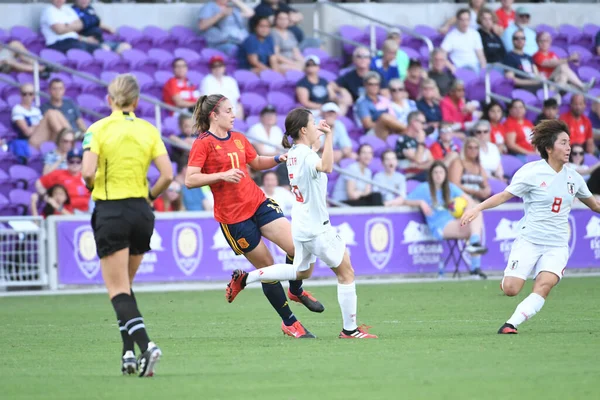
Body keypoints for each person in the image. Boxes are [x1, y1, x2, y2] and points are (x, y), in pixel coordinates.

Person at [225, 108, 377, 339]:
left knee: (300, 271)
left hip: (301, 225)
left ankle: (246, 278)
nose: (318, 126)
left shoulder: (295, 153)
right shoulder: (306, 155)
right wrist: (331, 136)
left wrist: (321, 139)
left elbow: (312, 156)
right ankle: (350, 330)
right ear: (304, 129)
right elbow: (326, 167)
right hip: (318, 227)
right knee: (346, 272)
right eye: (314, 123)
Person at [185, 94, 324, 339]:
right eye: (228, 111)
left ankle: (296, 289)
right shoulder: (203, 143)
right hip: (234, 218)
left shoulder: (238, 138)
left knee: (296, 246)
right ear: (213, 115)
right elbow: (190, 179)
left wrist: (277, 158)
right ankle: (290, 322)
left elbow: (256, 162)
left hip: (257, 203)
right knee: (267, 268)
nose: (234, 114)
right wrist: (221, 176)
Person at [460, 119, 600, 334]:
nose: (569, 147)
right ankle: (507, 280)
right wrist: (477, 208)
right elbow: (504, 195)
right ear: (549, 148)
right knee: (511, 289)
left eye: (569, 142)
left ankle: (510, 324)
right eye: (563, 143)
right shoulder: (531, 172)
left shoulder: (574, 178)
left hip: (558, 245)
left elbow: (595, 205)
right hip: (530, 241)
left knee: (543, 286)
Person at [81, 74, 172, 376]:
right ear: (136, 101)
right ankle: (127, 354)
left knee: (117, 289)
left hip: (112, 211)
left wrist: (93, 183)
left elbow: (87, 172)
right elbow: (168, 176)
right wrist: (148, 197)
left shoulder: (97, 129)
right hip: (141, 212)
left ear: (110, 100)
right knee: (127, 287)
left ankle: (146, 347)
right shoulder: (149, 129)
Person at [407, 161, 488, 278]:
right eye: (435, 172)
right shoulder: (424, 188)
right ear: (431, 175)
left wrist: (467, 211)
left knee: (477, 214)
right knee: (474, 228)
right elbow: (406, 200)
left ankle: (475, 259)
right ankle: (475, 265)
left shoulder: (450, 187)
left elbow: (470, 201)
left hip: (453, 222)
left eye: (441, 172)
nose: (438, 175)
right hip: (439, 227)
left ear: (445, 174)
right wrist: (420, 202)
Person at [10, 83, 71, 159]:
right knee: (50, 113)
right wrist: (38, 124)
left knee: (56, 112)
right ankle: (67, 138)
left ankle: (70, 136)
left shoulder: (36, 110)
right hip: (30, 141)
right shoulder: (17, 109)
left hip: (43, 137)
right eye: (24, 94)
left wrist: (37, 125)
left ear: (34, 95)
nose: (27, 97)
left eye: (30, 94)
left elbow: (42, 126)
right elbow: (27, 132)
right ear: (20, 95)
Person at [35, 149, 90, 213]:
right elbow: (38, 183)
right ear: (67, 162)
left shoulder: (87, 177)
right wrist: (47, 197)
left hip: (84, 213)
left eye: (78, 162)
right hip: (61, 213)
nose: (75, 164)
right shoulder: (58, 174)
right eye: (71, 161)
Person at [355, 72, 405, 140]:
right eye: (371, 84)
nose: (374, 87)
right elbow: (367, 124)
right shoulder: (362, 103)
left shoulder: (384, 100)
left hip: (389, 129)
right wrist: (384, 123)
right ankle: (407, 130)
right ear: (365, 85)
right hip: (372, 132)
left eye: (376, 84)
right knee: (384, 117)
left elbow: (393, 118)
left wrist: (388, 124)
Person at [440, 8, 487, 73]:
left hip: (476, 66)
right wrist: (451, 67)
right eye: (462, 20)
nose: (465, 23)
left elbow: (481, 55)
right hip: (460, 68)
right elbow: (442, 54)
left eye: (467, 20)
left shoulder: (475, 34)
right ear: (457, 21)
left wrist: (483, 69)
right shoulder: (451, 36)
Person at [449, 137, 491, 202]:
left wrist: (487, 190)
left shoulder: (479, 166)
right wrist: (474, 192)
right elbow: (454, 185)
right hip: (460, 199)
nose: (473, 150)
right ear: (465, 149)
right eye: (470, 147)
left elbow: (485, 184)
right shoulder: (458, 162)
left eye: (476, 148)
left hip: (476, 199)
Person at [200, 56, 243, 120]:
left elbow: (238, 102)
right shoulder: (207, 80)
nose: (217, 68)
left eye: (220, 65)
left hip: (233, 116)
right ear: (211, 68)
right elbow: (208, 103)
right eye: (214, 66)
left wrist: (239, 119)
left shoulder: (231, 80)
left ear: (224, 67)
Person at [395, 111, 434, 181]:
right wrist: (421, 142)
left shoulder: (418, 140)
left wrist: (418, 166)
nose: (424, 126)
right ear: (414, 122)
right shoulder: (403, 140)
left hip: (422, 173)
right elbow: (418, 160)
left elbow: (431, 161)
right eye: (422, 123)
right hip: (410, 176)